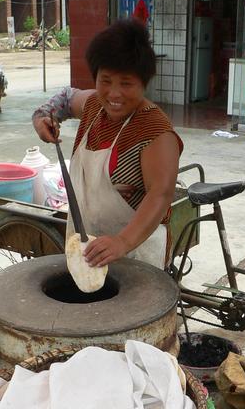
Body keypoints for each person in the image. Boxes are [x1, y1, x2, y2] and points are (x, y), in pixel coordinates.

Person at [32, 18, 182, 269]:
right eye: (106, 80)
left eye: (126, 83)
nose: (114, 94)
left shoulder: (155, 130)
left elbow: (161, 194)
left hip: (137, 257)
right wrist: (42, 117)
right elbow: (66, 98)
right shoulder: (93, 106)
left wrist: (122, 241)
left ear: (143, 83)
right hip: (86, 247)